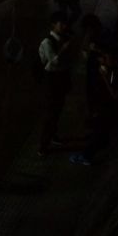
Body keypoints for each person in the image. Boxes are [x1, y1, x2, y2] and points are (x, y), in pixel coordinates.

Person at [37, 12, 74, 155]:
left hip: (61, 78)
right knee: (50, 113)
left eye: (65, 24)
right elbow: (53, 62)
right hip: (51, 81)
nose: (64, 26)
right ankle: (43, 145)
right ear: (53, 24)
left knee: (58, 109)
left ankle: (53, 136)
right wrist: (64, 49)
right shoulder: (47, 42)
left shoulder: (63, 38)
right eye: (61, 24)